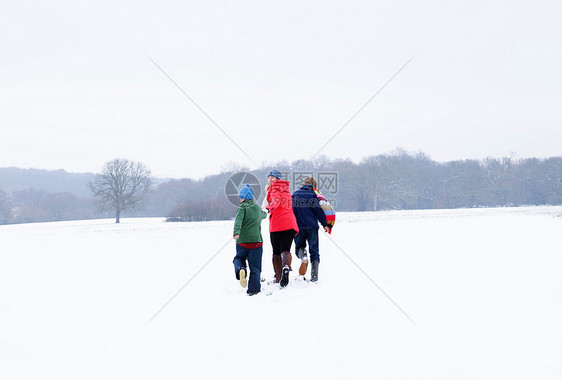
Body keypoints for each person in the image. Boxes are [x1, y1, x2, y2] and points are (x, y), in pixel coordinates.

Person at [292, 177, 333, 282]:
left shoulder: (295, 195)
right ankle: (314, 277)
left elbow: (290, 211)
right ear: (314, 186)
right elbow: (319, 212)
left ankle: (303, 256)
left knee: (299, 248)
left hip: (298, 227)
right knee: (314, 251)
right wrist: (325, 224)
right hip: (312, 227)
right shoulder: (313, 195)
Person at [265, 170, 299, 287]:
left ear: (276, 179)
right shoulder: (286, 190)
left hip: (278, 224)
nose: (269, 180)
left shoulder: (274, 188)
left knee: (276, 251)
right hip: (290, 223)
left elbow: (276, 200)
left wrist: (269, 207)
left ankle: (278, 277)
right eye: (268, 178)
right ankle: (285, 267)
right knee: (285, 249)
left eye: (271, 178)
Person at [233, 184, 267, 296]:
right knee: (255, 267)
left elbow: (238, 220)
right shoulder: (257, 208)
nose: (240, 199)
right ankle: (254, 290)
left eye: (241, 197)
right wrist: (266, 212)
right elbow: (263, 215)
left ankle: (241, 269)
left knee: (239, 258)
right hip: (256, 243)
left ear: (244, 198)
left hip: (242, 241)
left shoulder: (241, 208)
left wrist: (236, 232)